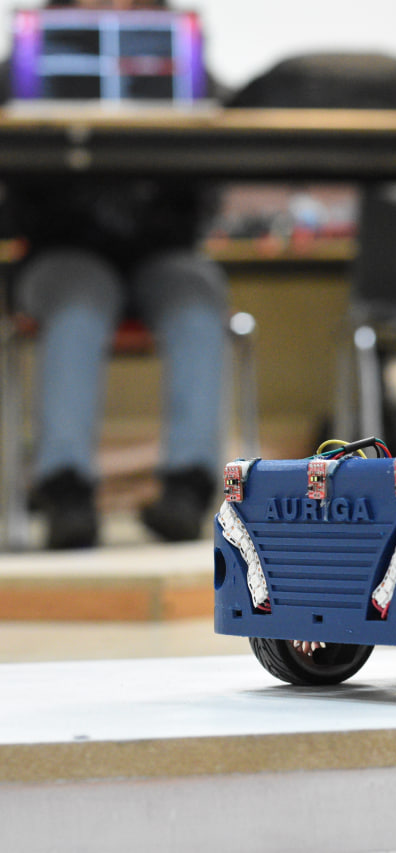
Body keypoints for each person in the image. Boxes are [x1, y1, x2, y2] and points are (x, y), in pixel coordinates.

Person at [3, 0, 227, 548]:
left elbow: (215, 170)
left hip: (163, 255)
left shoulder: (183, 63)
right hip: (60, 254)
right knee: (78, 304)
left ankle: (188, 488)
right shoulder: (29, 63)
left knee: (198, 299)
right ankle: (65, 491)